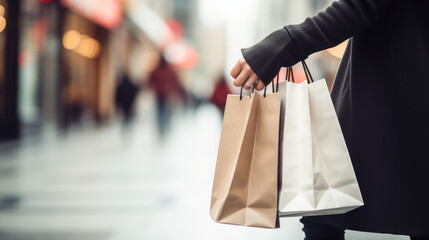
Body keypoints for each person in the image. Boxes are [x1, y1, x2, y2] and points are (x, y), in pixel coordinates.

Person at [229, 0, 429, 239]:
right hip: (396, 94)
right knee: (323, 210)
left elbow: (360, 6)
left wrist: (282, 44)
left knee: (323, 211)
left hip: (392, 97)